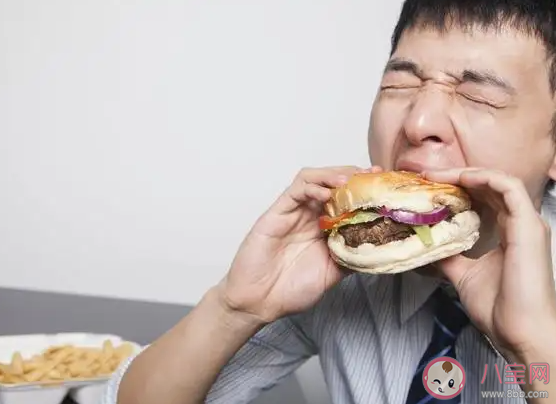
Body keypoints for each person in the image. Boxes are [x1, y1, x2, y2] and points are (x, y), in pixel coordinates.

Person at [102, 0, 556, 403]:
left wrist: (537, 348)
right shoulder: (339, 266)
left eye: (477, 95)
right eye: (399, 85)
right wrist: (233, 309)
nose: (418, 123)